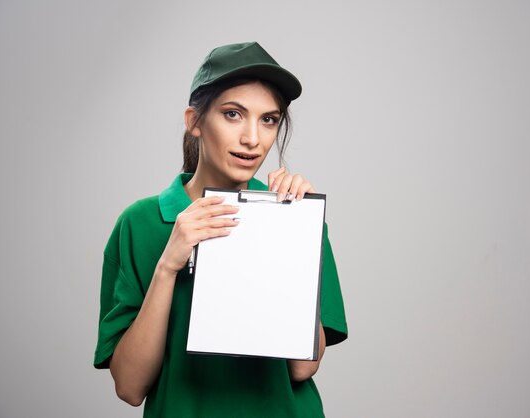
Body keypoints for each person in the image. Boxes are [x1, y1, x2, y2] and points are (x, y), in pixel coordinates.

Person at [94, 41, 348, 417]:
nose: (252, 139)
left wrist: (297, 235)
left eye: (269, 119)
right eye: (233, 114)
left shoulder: (294, 215)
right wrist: (167, 267)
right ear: (194, 121)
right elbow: (130, 388)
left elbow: (303, 367)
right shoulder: (141, 223)